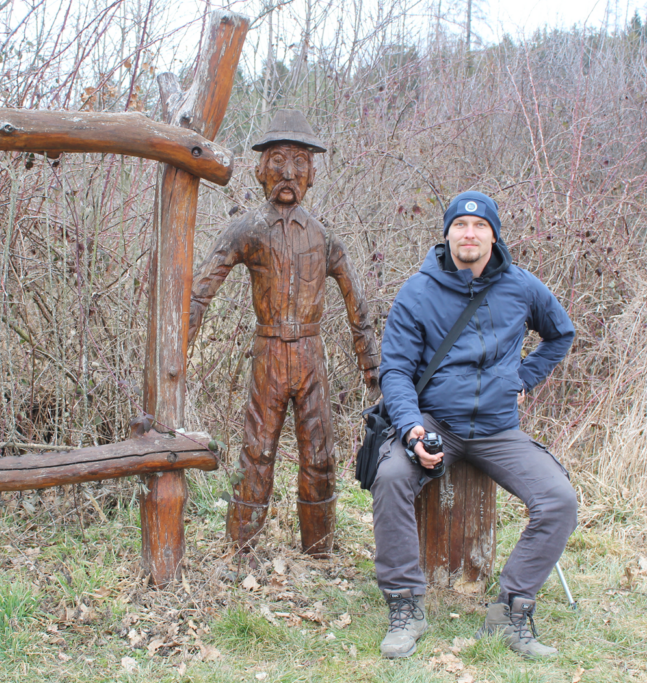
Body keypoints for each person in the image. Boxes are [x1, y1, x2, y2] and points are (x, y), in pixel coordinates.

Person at [371, 191, 577, 659]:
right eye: (460, 225)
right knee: (390, 478)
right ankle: (405, 604)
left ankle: (512, 610)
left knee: (558, 499)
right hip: (434, 420)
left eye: (479, 226)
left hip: (498, 429)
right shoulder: (417, 291)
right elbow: (396, 371)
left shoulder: (521, 287)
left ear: (493, 235)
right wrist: (411, 431)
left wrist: (524, 377)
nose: (469, 233)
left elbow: (560, 333)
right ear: (446, 234)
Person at [188, 110, 380, 557]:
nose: (288, 173)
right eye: (277, 161)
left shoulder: (325, 237)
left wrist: (370, 363)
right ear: (259, 169)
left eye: (298, 162)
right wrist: (178, 350)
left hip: (312, 355)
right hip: (269, 352)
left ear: (313, 172)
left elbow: (358, 304)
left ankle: (319, 549)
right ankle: (242, 546)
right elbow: (201, 291)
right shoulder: (247, 229)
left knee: (319, 453)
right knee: (257, 450)